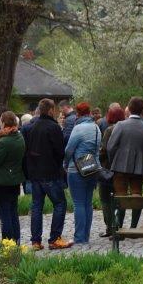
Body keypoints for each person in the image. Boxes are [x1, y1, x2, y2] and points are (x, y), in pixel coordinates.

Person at [24, 98, 71, 249]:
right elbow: (60, 152)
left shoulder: (30, 126)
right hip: (50, 173)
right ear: (51, 110)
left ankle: (35, 241)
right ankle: (55, 238)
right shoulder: (53, 127)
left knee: (37, 206)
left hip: (34, 173)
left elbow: (26, 150)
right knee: (60, 204)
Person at [107, 97, 143, 230]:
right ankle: (133, 227)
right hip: (139, 166)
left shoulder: (120, 125)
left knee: (120, 196)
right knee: (137, 195)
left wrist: (113, 161)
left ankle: (119, 228)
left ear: (129, 108)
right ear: (142, 110)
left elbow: (111, 147)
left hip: (120, 165)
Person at [0, 111, 26, 244]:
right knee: (13, 213)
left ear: (2, 122)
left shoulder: (4, 142)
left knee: (5, 215)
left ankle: (8, 244)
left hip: (2, 181)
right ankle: (16, 241)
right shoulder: (19, 137)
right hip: (15, 180)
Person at [63, 102, 101, 244]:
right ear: (89, 112)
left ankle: (79, 237)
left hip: (76, 169)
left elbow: (69, 150)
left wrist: (65, 164)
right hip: (92, 167)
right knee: (87, 203)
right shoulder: (96, 128)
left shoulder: (78, 128)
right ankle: (86, 235)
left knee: (78, 203)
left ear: (78, 114)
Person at [97, 105, 126, 237]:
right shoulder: (126, 128)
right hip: (123, 169)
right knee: (120, 199)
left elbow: (104, 150)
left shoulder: (110, 130)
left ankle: (110, 227)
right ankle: (119, 226)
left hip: (109, 169)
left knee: (106, 199)